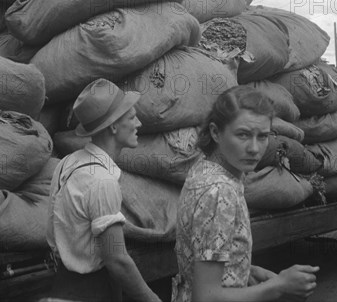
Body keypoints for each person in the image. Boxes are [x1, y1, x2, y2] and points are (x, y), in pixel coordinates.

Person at [171, 85, 319, 302]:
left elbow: (204, 252)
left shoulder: (204, 170)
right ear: (215, 133)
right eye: (243, 134)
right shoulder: (219, 192)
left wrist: (246, 269)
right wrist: (279, 286)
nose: (254, 148)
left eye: (263, 136)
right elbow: (206, 297)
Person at [47, 78, 161, 302]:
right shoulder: (102, 181)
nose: (138, 124)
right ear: (114, 126)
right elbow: (116, 259)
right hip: (89, 292)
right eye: (132, 117)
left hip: (62, 284)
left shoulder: (67, 163)